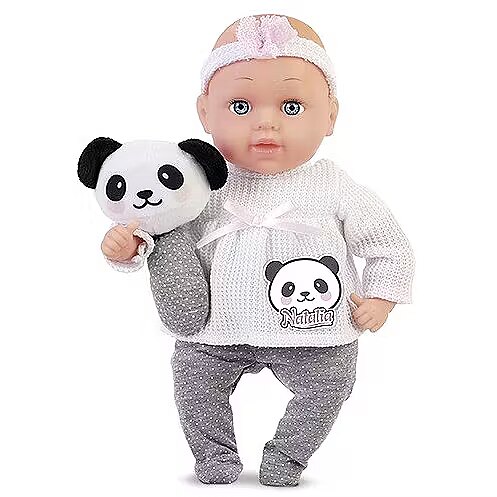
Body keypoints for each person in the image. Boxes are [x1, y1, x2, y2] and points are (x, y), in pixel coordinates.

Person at [100, 14, 415, 486]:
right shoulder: (199, 181)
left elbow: (388, 244)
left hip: (316, 329)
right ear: (205, 114)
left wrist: (382, 297)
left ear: (331, 116)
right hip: (213, 330)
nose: (266, 122)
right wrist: (128, 246)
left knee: (331, 386)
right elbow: (162, 233)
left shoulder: (333, 185)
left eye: (292, 106)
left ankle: (288, 456)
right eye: (241, 105)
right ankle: (214, 455)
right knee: (193, 386)